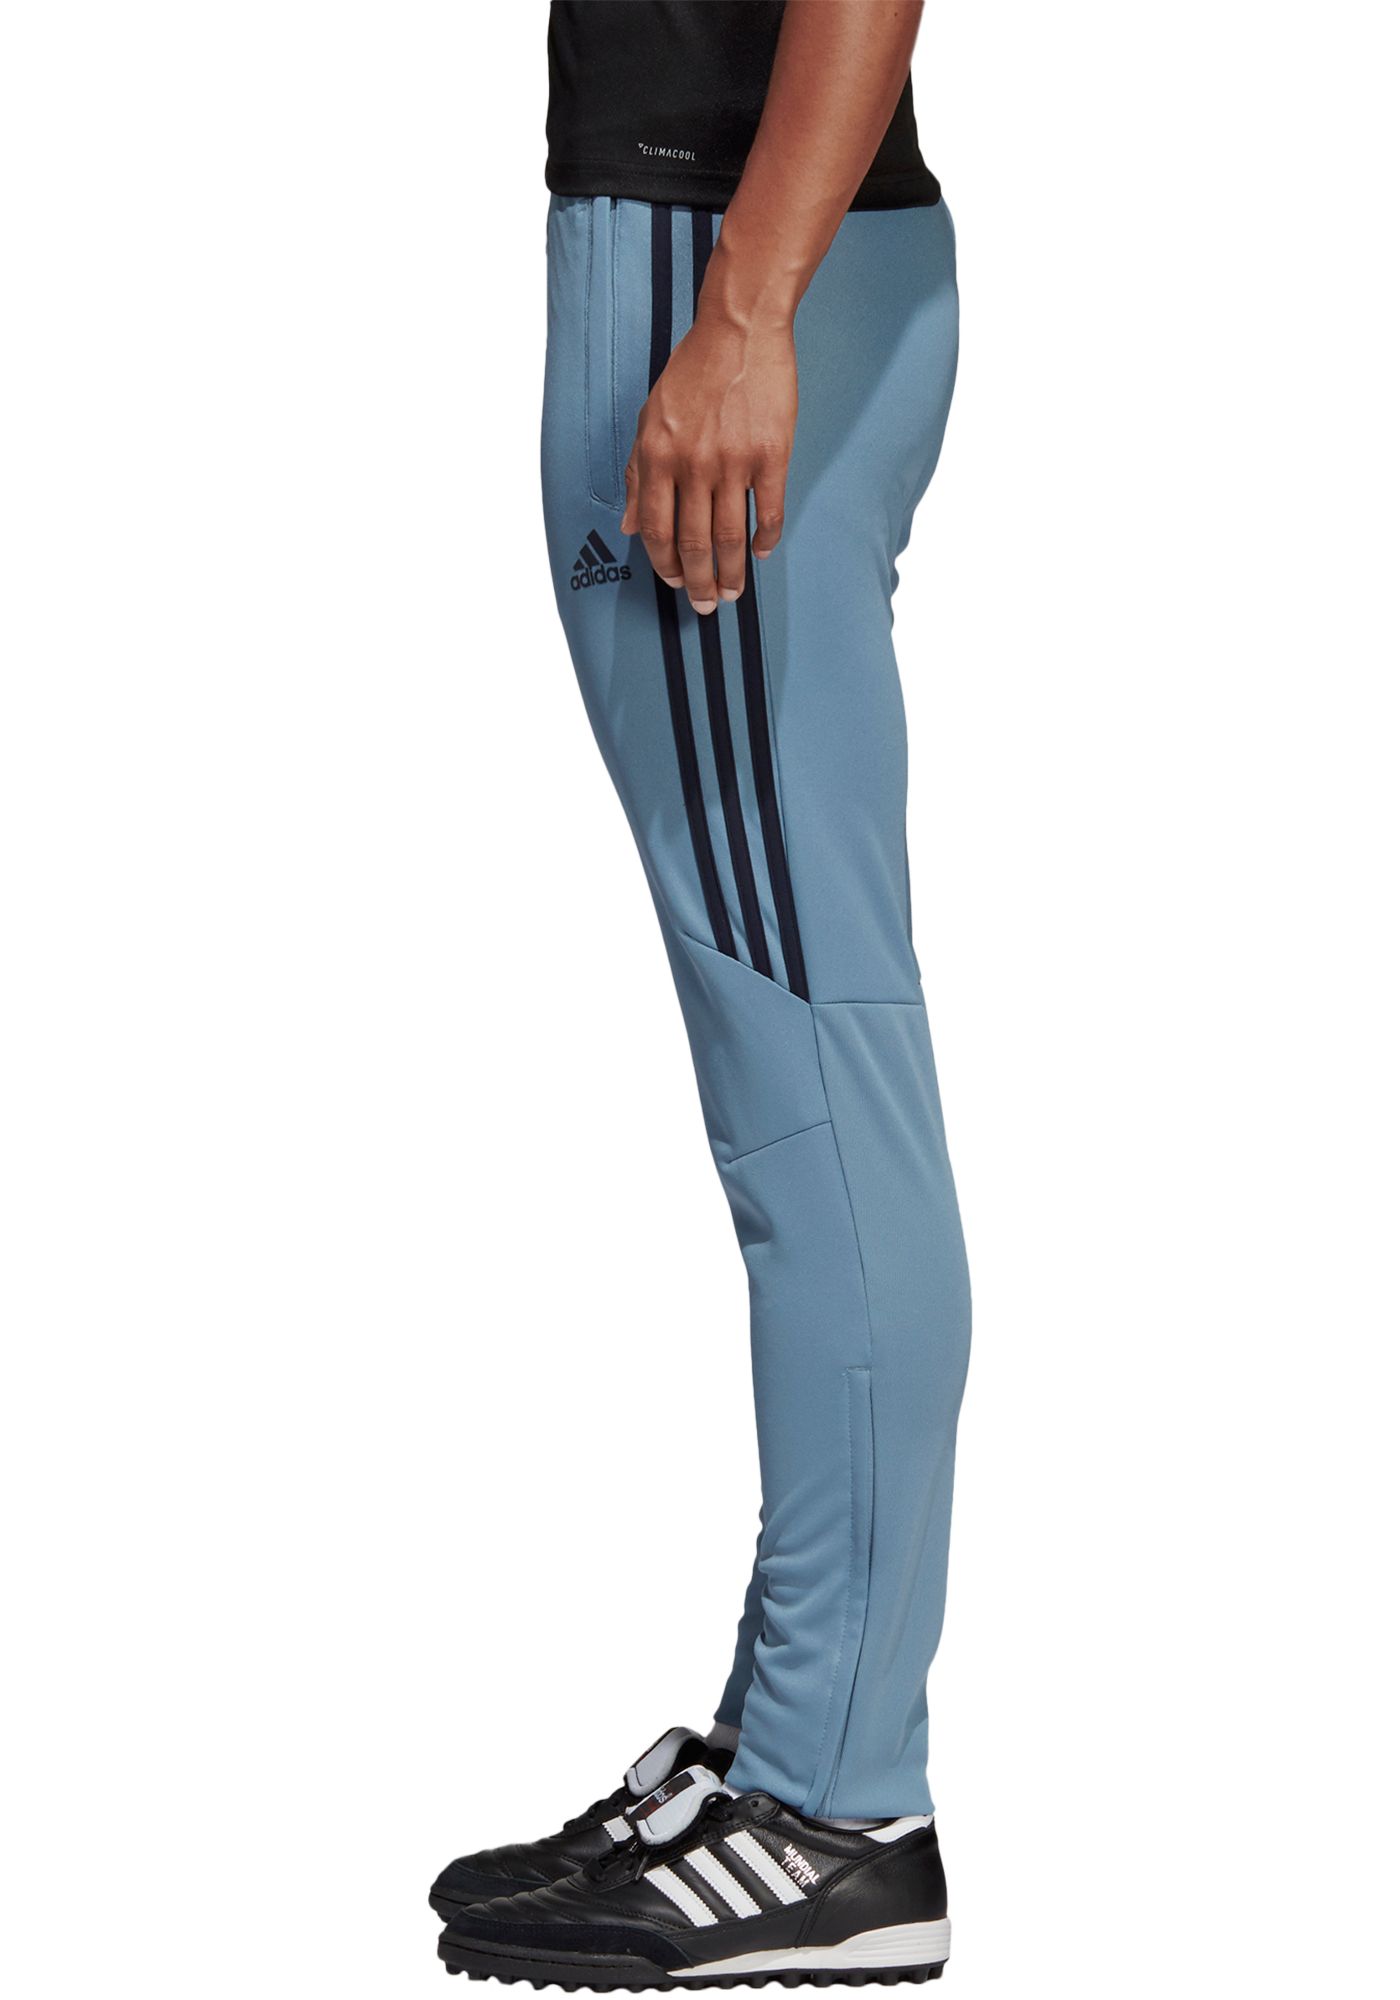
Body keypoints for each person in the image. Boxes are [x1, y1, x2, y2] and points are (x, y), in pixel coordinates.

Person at [433, 3, 971, 1983]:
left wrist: (744, 310)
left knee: (808, 1054)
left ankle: (839, 1802)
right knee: (795, 1033)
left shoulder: (732, 283)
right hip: (708, 245)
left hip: (726, 258)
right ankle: (786, 1742)